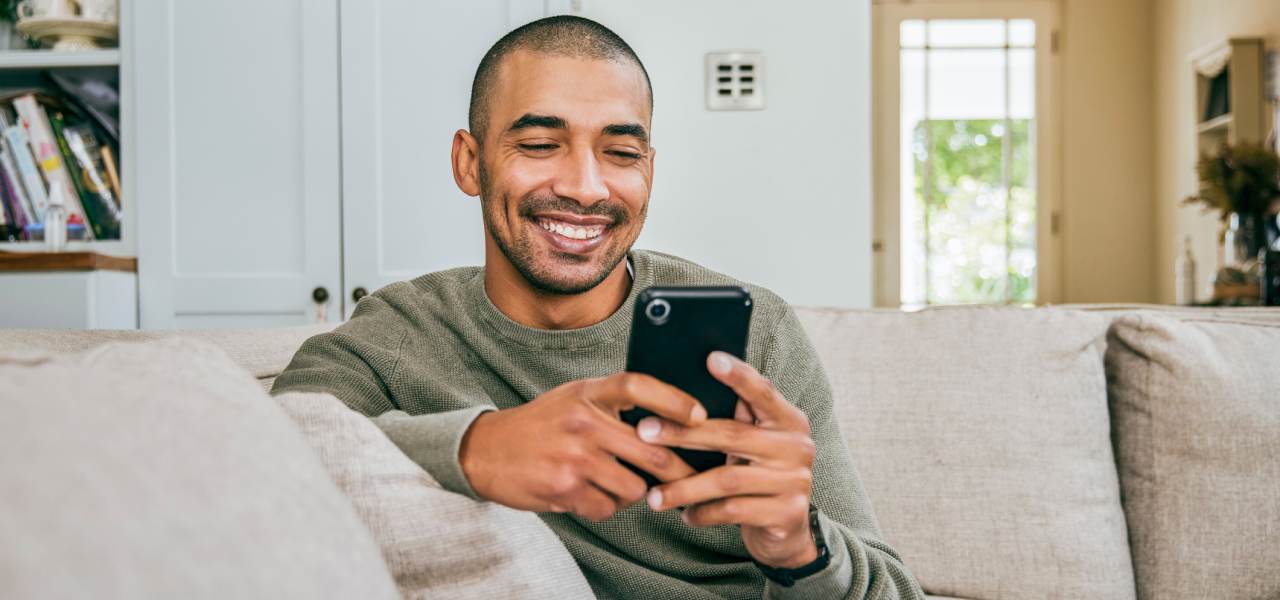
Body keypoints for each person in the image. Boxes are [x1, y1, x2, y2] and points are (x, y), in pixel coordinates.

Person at [273, 15, 923, 599]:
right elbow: (260, 455)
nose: (586, 188)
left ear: (649, 170)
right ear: (470, 162)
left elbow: (896, 591)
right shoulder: (399, 335)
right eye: (539, 144)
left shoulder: (760, 334)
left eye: (621, 153)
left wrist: (800, 547)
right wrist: (476, 448)